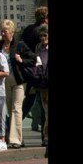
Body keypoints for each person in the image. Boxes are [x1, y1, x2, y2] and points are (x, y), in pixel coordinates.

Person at [0, 19, 36, 149]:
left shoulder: (19, 45)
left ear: (12, 32)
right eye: (2, 31)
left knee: (16, 108)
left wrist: (21, 60)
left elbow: (33, 59)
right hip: (5, 81)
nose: (3, 34)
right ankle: (19, 137)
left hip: (19, 81)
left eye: (5, 31)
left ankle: (15, 140)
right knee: (10, 109)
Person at [20, 7, 48, 130]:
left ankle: (11, 125)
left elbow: (20, 46)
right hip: (42, 73)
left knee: (28, 102)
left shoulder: (28, 30)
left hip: (30, 71)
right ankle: (44, 133)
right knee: (44, 104)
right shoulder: (44, 32)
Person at [35, 24, 49, 152]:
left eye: (45, 35)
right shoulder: (38, 48)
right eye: (41, 36)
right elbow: (38, 64)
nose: (43, 38)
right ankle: (46, 137)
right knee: (46, 112)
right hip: (43, 84)